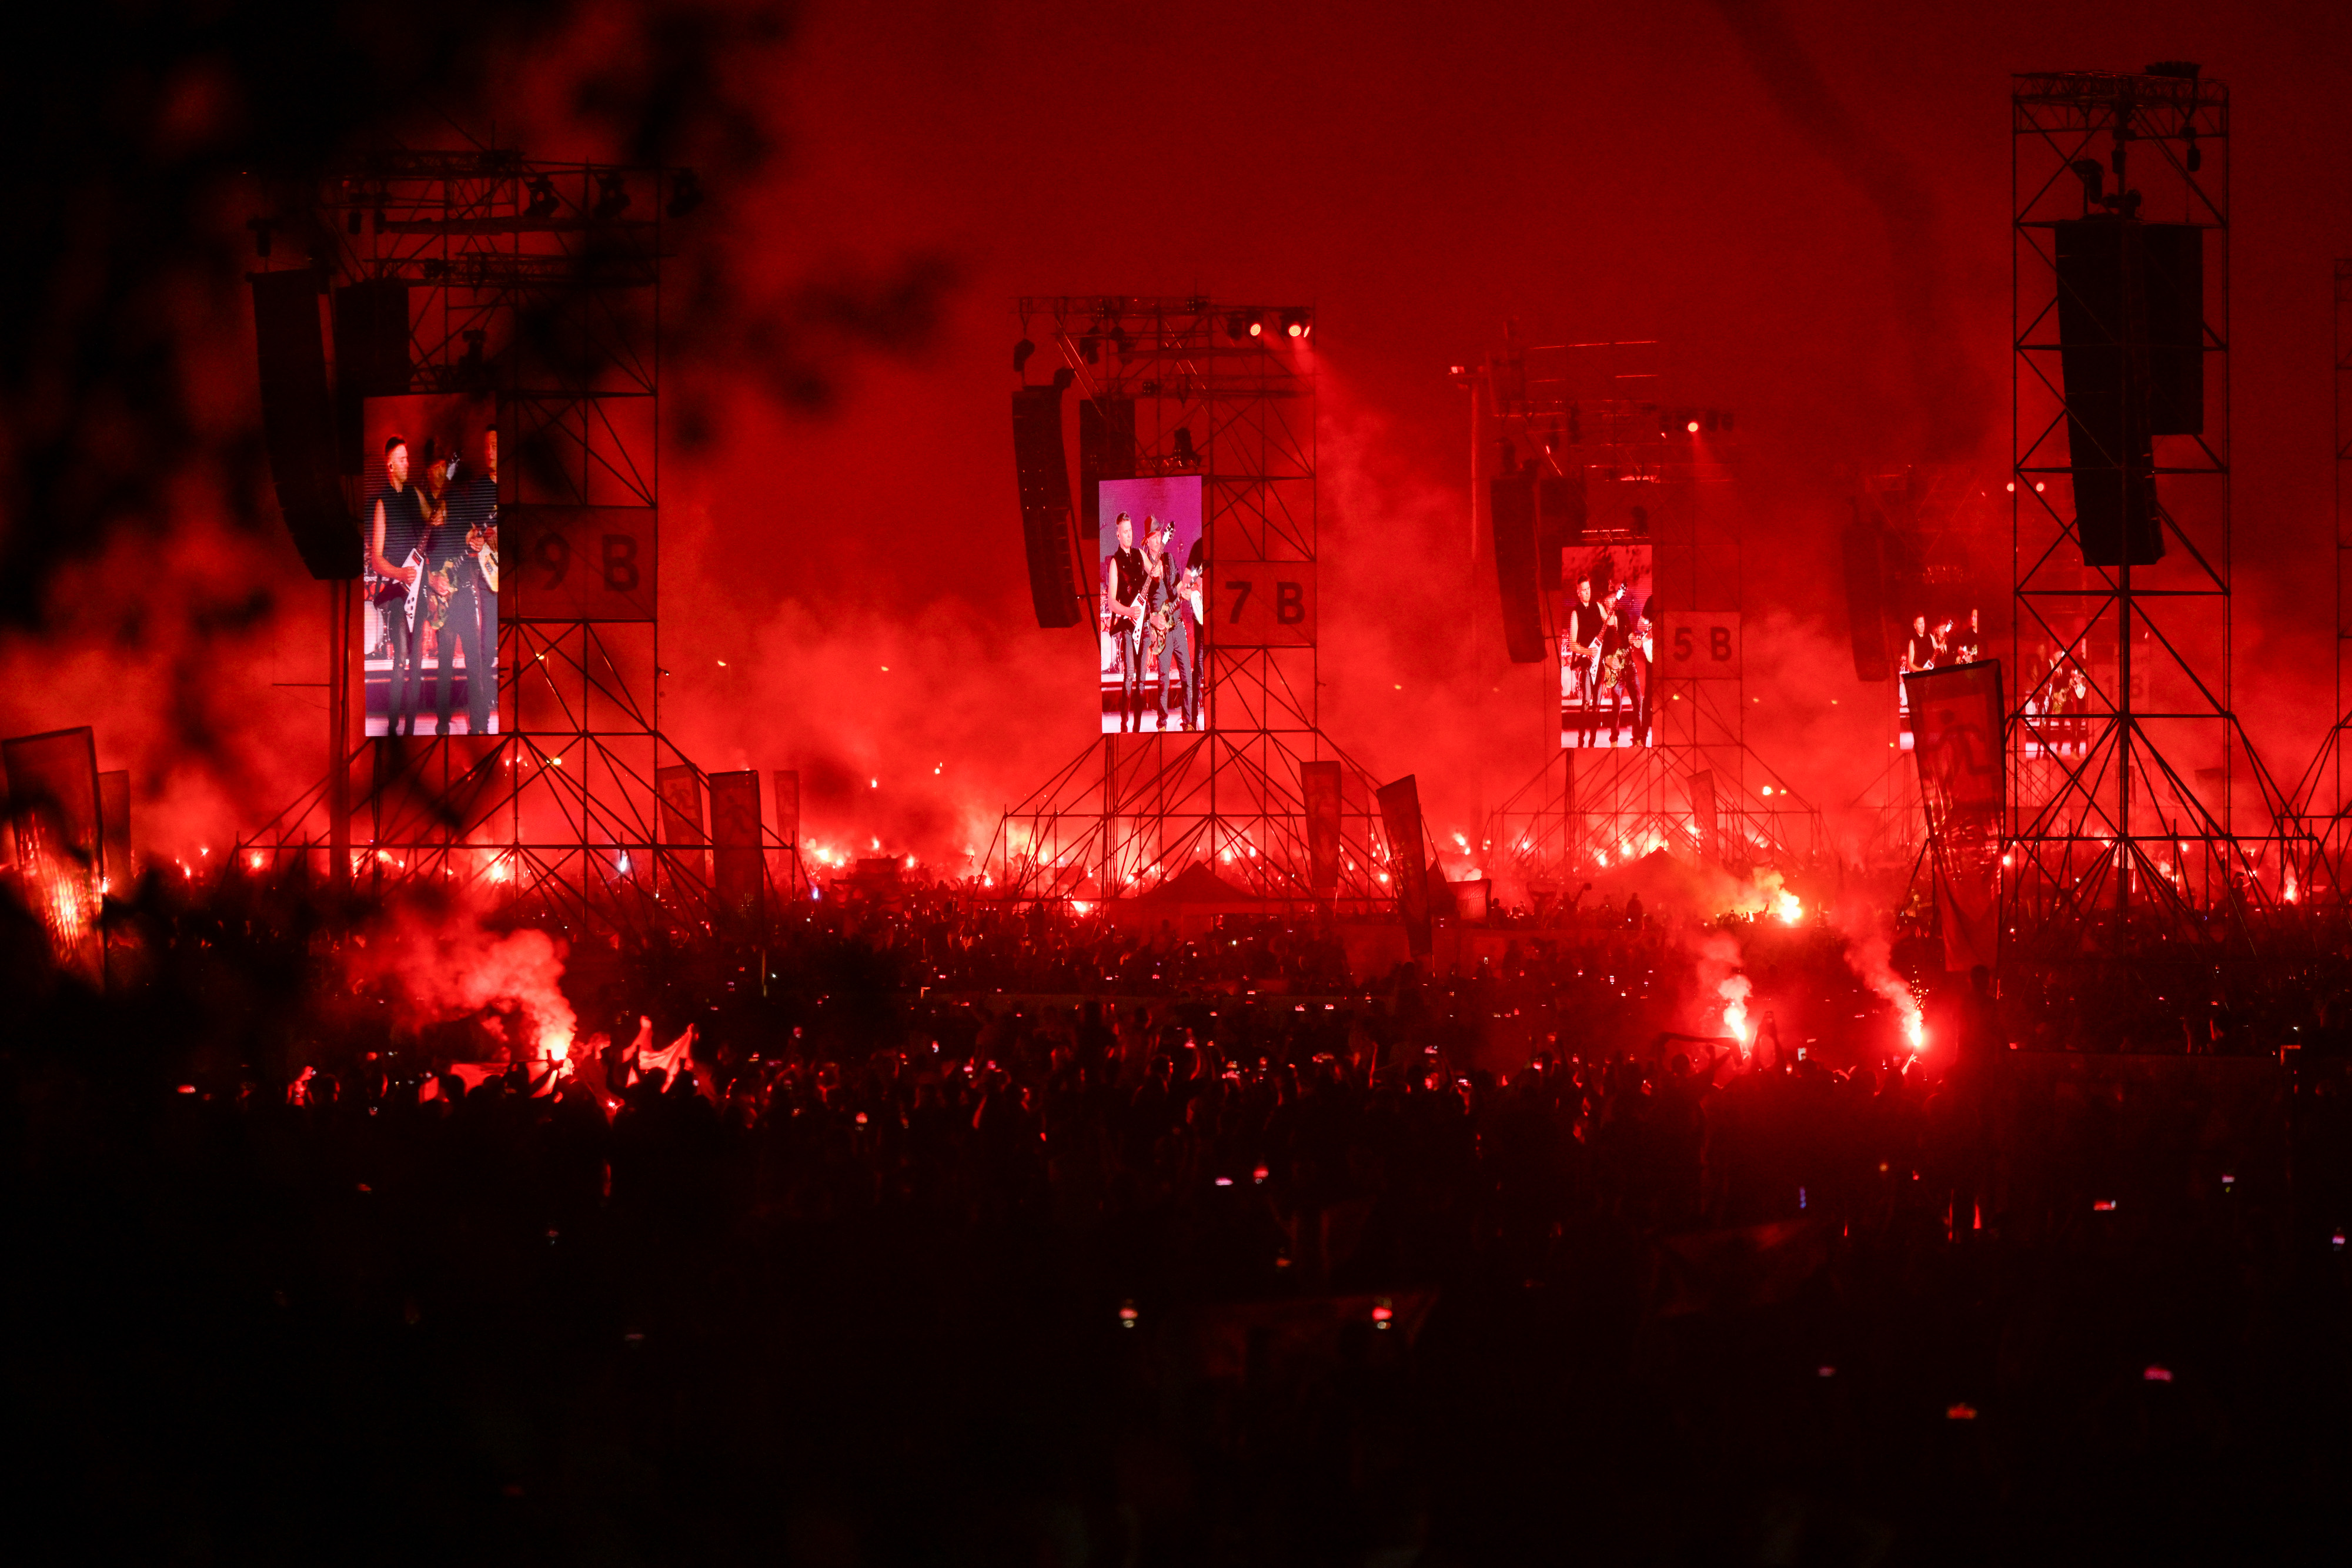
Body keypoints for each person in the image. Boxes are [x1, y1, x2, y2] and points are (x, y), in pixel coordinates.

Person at [433, 425, 499, 735]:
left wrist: (474, 540)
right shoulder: (427, 503)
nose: (445, 471)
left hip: (463, 584)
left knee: (474, 656)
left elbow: (471, 532)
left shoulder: (459, 500)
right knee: (447, 659)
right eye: (442, 466)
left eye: (449, 466)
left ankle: (481, 723)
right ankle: (444, 723)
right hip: (444, 586)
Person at [367, 434, 431, 737]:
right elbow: (376, 560)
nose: (408, 463)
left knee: (418, 662)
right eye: (402, 459)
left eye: (409, 458)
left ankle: (412, 729)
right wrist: (400, 572)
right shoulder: (382, 503)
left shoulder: (415, 494)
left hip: (420, 588)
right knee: (402, 660)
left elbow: (434, 521)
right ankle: (393, 727)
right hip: (397, 592)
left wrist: (441, 514)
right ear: (390, 465)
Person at [1102, 514, 1151, 732]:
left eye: (1131, 530)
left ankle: (1138, 728)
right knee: (1130, 675)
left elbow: (1155, 574)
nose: (1129, 534)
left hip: (1146, 622)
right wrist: (1129, 611)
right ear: (1118, 534)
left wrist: (1159, 559)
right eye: (1125, 531)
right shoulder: (1115, 562)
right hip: (1129, 625)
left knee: (1142, 679)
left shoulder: (1141, 555)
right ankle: (1124, 724)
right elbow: (1112, 602)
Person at [1148, 523, 1194, 732]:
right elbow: (1138, 600)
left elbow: (1176, 584)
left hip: (1178, 627)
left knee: (1188, 677)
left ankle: (1189, 722)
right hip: (1161, 629)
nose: (1158, 541)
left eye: (1160, 536)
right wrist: (1152, 620)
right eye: (1154, 537)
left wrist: (1184, 591)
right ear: (1147, 541)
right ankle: (1162, 724)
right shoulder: (1144, 565)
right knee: (1163, 680)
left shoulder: (1169, 559)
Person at [1562, 576, 1611, 746]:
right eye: (1584, 590)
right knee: (1587, 703)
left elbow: (1610, 622)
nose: (1587, 592)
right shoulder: (1576, 613)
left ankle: (1593, 741)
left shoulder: (1598, 607)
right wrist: (1588, 651)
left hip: (1600, 662)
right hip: (1587, 664)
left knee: (1597, 705)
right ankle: (1581, 740)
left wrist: (1613, 610)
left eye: (1589, 588)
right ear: (1578, 593)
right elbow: (1572, 644)